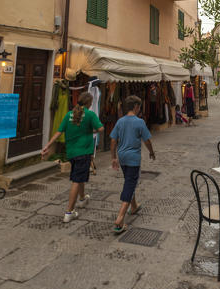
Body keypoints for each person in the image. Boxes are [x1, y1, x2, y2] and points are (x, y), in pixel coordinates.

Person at [41, 91, 104, 223]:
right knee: (76, 179)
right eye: (91, 102)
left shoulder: (69, 114)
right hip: (83, 151)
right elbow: (101, 129)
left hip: (71, 152)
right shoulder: (90, 115)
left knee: (79, 175)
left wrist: (47, 145)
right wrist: (90, 131)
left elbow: (59, 131)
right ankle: (69, 212)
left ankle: (82, 199)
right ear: (88, 103)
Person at [110, 95, 155, 233]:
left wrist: (113, 157)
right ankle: (120, 218)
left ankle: (134, 206)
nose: (140, 109)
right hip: (133, 158)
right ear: (135, 106)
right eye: (139, 107)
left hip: (122, 157)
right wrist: (151, 152)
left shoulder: (120, 121)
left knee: (129, 180)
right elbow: (147, 140)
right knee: (130, 183)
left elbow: (113, 140)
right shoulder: (139, 122)